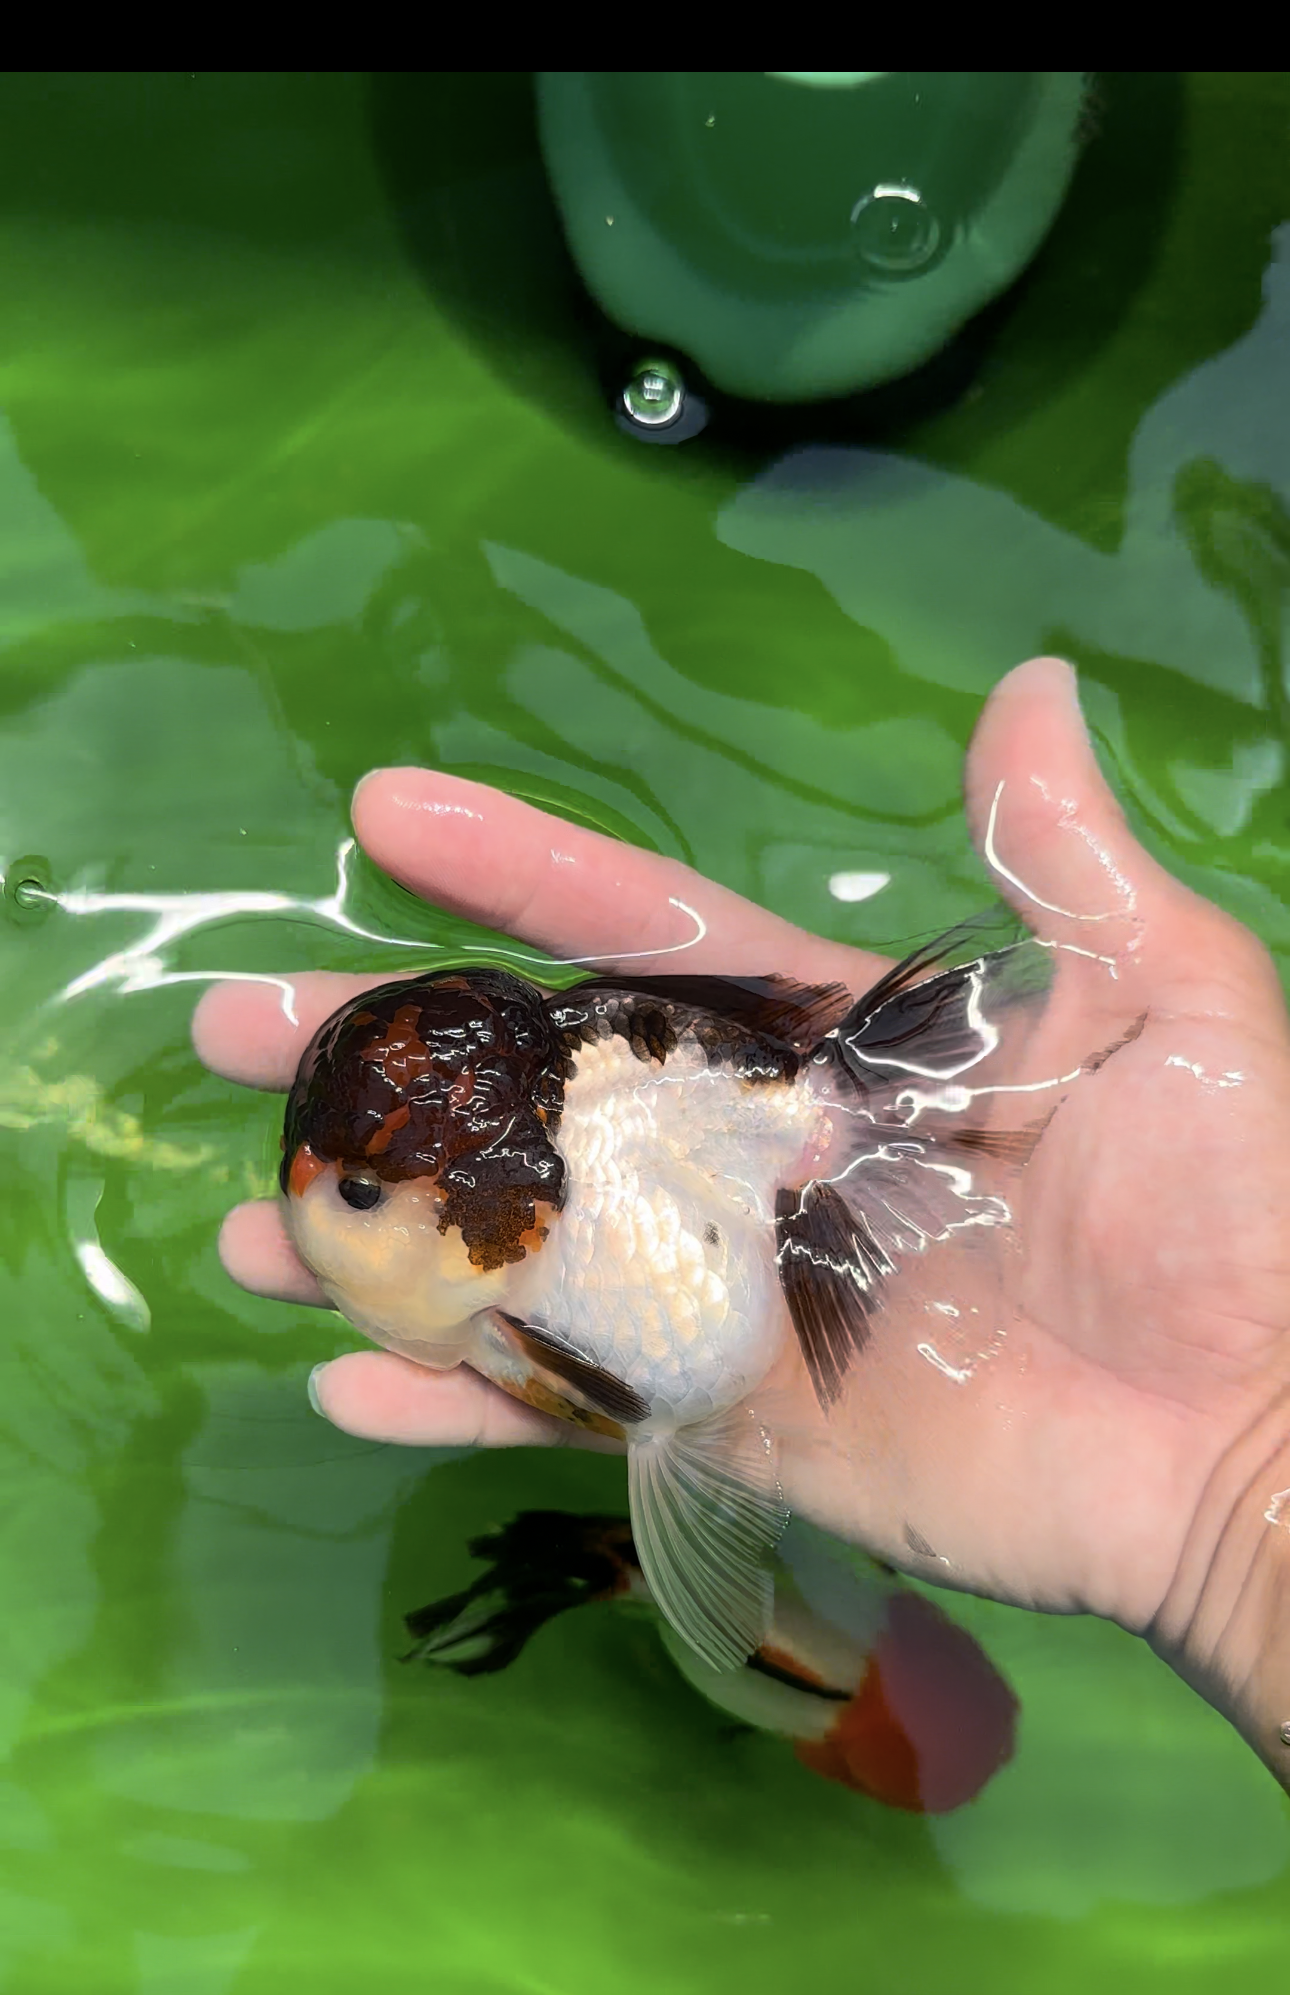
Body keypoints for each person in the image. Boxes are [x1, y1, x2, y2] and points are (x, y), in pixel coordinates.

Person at [193, 658, 1290, 1794]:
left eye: (359, 1194)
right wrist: (1240, 1483)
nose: (325, 1218)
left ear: (484, 1215)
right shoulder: (521, 1250)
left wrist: (1249, 1463)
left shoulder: (579, 1197)